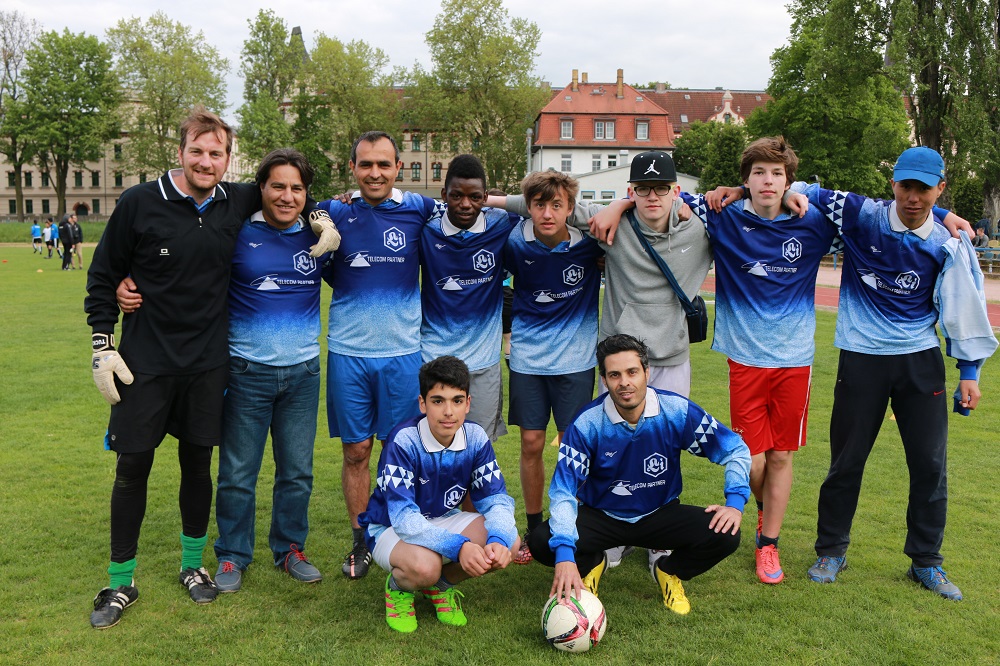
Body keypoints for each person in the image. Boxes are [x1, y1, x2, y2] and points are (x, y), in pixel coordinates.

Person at [84, 108, 338, 629]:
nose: (206, 161)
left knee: (199, 466)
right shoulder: (138, 202)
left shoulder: (236, 199)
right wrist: (102, 342)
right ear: (180, 152)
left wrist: (326, 221)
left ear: (228, 159)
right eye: (197, 151)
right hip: (144, 366)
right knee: (133, 468)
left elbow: (292, 192)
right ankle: (119, 580)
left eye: (216, 153)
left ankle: (193, 566)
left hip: (207, 366)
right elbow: (103, 275)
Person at [791, 147, 997, 600]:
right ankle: (831, 550)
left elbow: (966, 307)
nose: (914, 197)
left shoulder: (949, 242)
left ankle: (926, 562)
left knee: (929, 465)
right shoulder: (860, 213)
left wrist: (969, 371)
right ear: (894, 185)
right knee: (846, 461)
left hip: (919, 360)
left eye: (925, 189)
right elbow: (799, 187)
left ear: (940, 188)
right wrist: (793, 197)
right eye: (907, 186)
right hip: (861, 356)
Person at [528, 334, 750, 615]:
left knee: (726, 533)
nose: (624, 383)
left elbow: (736, 450)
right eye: (614, 375)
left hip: (659, 513)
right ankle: (592, 562)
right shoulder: (586, 423)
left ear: (647, 372)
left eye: (632, 372)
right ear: (605, 380)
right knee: (541, 542)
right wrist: (564, 555)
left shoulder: (676, 411)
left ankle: (668, 571)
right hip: (601, 515)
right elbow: (563, 491)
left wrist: (734, 503)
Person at [315, 131, 440, 580]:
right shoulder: (333, 212)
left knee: (398, 451)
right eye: (365, 164)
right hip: (348, 352)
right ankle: (361, 538)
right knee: (356, 451)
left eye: (383, 164)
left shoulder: (420, 209)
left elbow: (473, 210)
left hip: (404, 353)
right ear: (352, 168)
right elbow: (289, 212)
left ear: (398, 169)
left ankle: (398, 531)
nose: (374, 173)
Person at [358, 356, 519, 633]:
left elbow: (495, 500)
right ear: (422, 403)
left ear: (468, 403)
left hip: (441, 518)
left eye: (457, 400)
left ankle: (441, 586)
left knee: (510, 543)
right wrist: (459, 547)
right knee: (425, 566)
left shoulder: (476, 438)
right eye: (438, 401)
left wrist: (498, 538)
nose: (448, 411)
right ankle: (399, 588)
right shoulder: (403, 441)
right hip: (390, 527)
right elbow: (406, 520)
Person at [500, 171, 604, 565]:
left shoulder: (590, 245)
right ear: (529, 207)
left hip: (576, 363)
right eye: (540, 205)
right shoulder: (513, 242)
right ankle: (532, 526)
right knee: (531, 444)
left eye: (556, 205)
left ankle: (572, 524)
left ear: (570, 209)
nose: (548, 213)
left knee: (572, 449)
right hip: (528, 359)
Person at [419, 156, 516, 442]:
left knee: (479, 451)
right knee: (434, 449)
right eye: (456, 196)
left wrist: (500, 201)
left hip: (483, 365)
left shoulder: (501, 223)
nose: (465, 204)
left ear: (485, 197)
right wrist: (354, 195)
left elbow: (546, 202)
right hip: (434, 358)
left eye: (475, 197)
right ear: (443, 195)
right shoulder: (426, 228)